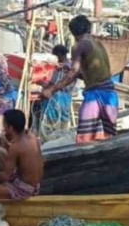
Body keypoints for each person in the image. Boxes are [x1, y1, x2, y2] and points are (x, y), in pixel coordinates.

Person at [44, 15, 118, 143]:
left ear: (73, 32)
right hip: (110, 93)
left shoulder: (79, 46)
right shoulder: (98, 44)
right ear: (88, 29)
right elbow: (92, 74)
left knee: (85, 137)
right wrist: (74, 72)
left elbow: (73, 73)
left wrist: (52, 89)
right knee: (106, 136)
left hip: (95, 95)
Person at [36, 44, 75, 137]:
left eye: (56, 56)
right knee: (51, 120)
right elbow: (52, 83)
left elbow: (64, 80)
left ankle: (58, 138)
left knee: (60, 120)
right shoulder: (58, 67)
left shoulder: (68, 67)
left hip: (62, 97)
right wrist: (43, 84)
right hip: (55, 96)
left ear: (61, 55)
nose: (56, 58)